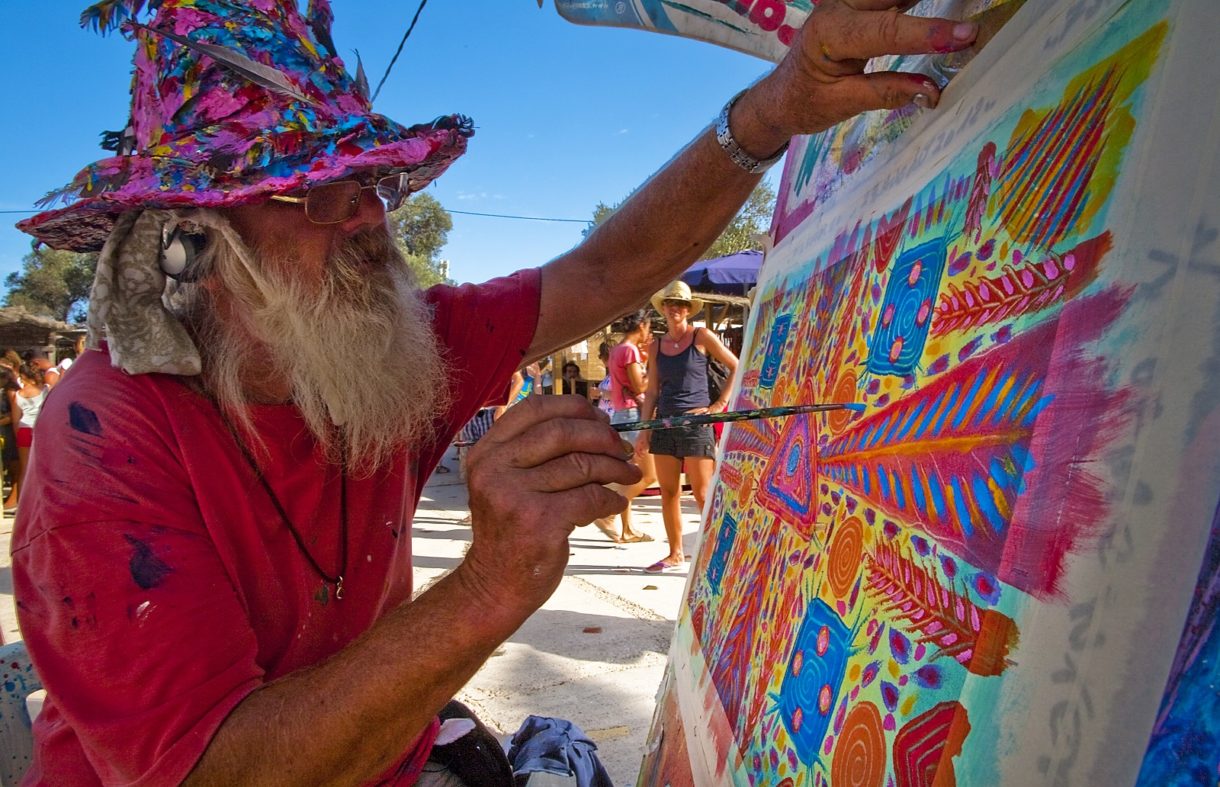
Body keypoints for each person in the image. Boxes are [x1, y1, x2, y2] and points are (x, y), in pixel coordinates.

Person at [11, 1, 973, 783]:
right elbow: (216, 772)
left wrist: (772, 112)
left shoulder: (386, 354)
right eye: (314, 192)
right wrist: (488, 586)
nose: (370, 217)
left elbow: (601, 272)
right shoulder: (105, 433)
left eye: (373, 182)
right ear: (196, 249)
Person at [637, 282, 739, 573]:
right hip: (665, 424)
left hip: (696, 424)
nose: (675, 309)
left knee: (703, 493)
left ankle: (714, 552)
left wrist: (719, 404)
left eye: (681, 304)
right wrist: (645, 431)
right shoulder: (655, 346)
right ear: (663, 309)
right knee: (668, 492)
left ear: (687, 308)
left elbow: (736, 365)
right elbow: (652, 392)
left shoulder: (701, 336)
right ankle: (675, 553)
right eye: (670, 304)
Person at [600, 311, 658, 543]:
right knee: (648, 476)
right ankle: (608, 512)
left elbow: (627, 386)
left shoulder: (616, 351)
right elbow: (640, 386)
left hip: (621, 415)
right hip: (633, 415)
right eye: (649, 327)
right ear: (642, 325)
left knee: (630, 477)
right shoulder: (630, 351)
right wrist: (654, 367)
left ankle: (627, 529)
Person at [11, 362, 49, 515]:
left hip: (24, 429)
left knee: (24, 469)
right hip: (40, 430)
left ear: (23, 376)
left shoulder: (18, 395)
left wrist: (17, 436)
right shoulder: (45, 390)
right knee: (41, 467)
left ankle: (22, 506)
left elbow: (15, 419)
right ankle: (40, 503)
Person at [0, 367, 21, 512]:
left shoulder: (10, 391)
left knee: (13, 465)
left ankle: (14, 497)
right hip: (7, 430)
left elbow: (14, 414)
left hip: (8, 431)